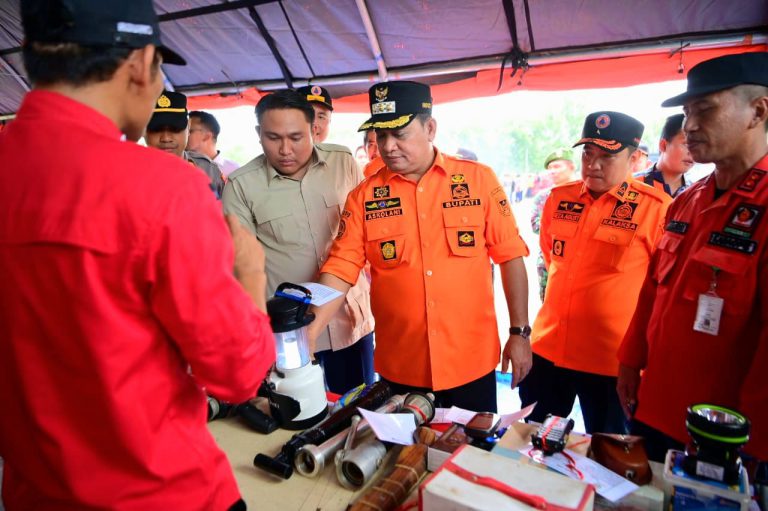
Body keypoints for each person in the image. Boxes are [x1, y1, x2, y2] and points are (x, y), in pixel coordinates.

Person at [0, 1, 275, 510]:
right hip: (163, 492)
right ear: (138, 62)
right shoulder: (163, 188)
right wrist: (251, 274)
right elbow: (237, 374)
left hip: (33, 491)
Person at [307, 81, 531, 413]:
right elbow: (340, 269)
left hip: (470, 363)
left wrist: (520, 333)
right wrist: (309, 333)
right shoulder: (364, 196)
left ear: (430, 128)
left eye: (400, 134)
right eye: (381, 136)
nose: (389, 146)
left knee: (467, 456)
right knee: (402, 460)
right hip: (402, 368)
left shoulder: (478, 180)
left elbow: (510, 257)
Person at [617, 52, 768, 462]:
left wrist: (754, 450)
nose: (690, 126)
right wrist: (630, 361)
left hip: (722, 434)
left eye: (705, 110)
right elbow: (652, 289)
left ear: (758, 111)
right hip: (655, 408)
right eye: (686, 113)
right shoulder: (688, 200)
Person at [519, 111, 671, 433]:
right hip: (549, 350)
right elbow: (551, 258)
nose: (593, 164)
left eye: (607, 156)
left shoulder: (655, 209)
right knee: (531, 443)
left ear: (635, 158)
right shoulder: (559, 199)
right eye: (588, 153)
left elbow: (661, 288)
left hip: (610, 362)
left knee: (608, 455)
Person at [222, 90, 375, 394]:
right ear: (258, 134)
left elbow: (366, 234)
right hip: (288, 335)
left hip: (350, 322)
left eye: (296, 137)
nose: (285, 149)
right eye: (273, 138)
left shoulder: (343, 162)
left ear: (313, 129)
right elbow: (241, 269)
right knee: (299, 417)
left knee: (358, 411)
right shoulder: (242, 186)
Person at [145, 90, 225, 198]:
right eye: (156, 129)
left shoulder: (209, 171)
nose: (166, 138)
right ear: (143, 130)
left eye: (175, 129)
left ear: (188, 126)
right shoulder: (128, 174)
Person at [531, 148, 577, 302]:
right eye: (549, 168)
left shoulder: (585, 193)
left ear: (572, 167)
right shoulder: (543, 197)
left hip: (577, 260)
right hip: (548, 260)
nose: (552, 171)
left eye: (557, 166)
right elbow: (536, 225)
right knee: (549, 303)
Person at [638, 113, 694, 197]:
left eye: (697, 145)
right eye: (686, 144)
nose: (693, 152)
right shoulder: (632, 184)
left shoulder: (694, 194)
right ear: (663, 145)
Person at [187, 110, 241, 176]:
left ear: (206, 136)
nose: (184, 134)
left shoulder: (234, 170)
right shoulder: (180, 165)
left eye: (189, 130)